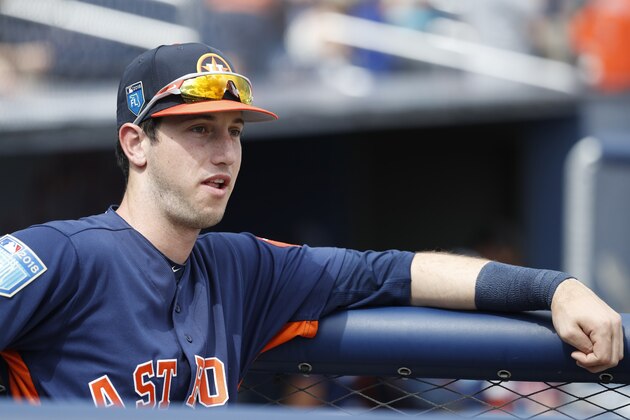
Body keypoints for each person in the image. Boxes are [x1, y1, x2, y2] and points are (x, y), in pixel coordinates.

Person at [0, 42, 623, 408]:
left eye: (234, 132)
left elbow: (397, 272)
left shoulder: (243, 268)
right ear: (136, 143)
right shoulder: (60, 256)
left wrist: (552, 289)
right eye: (199, 130)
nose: (225, 153)